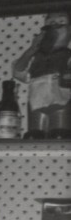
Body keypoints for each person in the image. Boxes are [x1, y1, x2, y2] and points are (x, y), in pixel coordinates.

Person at [12, 11, 71, 139]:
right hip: (36, 101)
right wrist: (32, 49)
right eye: (50, 23)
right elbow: (18, 72)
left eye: (61, 22)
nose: (55, 26)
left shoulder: (68, 55)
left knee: (59, 134)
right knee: (34, 135)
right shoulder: (35, 57)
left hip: (61, 101)